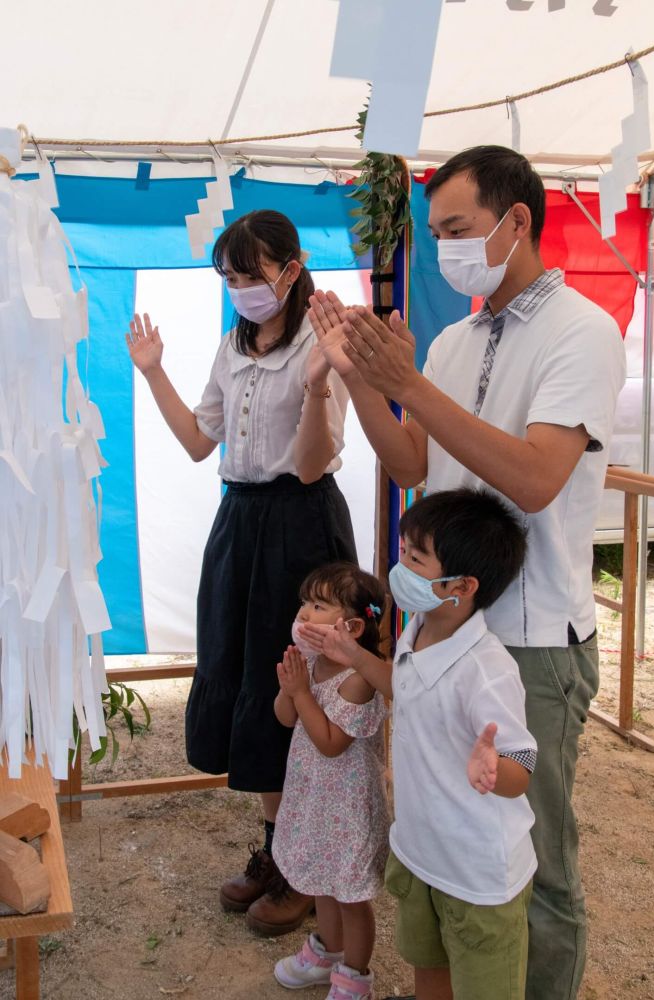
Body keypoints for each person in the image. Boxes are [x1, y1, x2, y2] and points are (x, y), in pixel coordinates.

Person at [308, 146, 627, 999]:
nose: (444, 246)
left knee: (534, 859)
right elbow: (413, 463)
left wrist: (407, 377)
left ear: (516, 219)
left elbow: (532, 477)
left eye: (456, 229)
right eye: (437, 230)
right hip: (438, 626)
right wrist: (360, 379)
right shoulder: (455, 336)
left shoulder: (583, 332)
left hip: (527, 636)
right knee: (443, 829)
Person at [125, 209, 357, 936]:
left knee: (293, 681)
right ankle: (274, 850)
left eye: (249, 274)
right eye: (227, 276)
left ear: (289, 270)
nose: (238, 288)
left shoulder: (323, 345)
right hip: (241, 521)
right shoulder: (233, 345)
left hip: (301, 522)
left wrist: (318, 384)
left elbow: (314, 463)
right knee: (249, 681)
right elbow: (199, 441)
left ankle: (303, 868)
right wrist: (153, 369)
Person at [304, 489, 535, 1000]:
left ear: (461, 586)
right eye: (403, 550)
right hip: (420, 854)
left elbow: (522, 763)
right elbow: (403, 688)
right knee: (428, 971)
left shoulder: (488, 669)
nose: (398, 565)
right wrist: (352, 654)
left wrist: (493, 768)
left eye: (414, 557)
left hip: (476, 876)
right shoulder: (418, 629)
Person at [271, 561, 390, 1000]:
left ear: (353, 626)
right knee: (322, 881)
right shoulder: (312, 662)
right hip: (313, 797)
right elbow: (284, 718)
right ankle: (326, 953)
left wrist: (301, 692)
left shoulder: (360, 679)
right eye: (305, 602)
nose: (304, 613)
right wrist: (290, 687)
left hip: (348, 806)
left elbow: (330, 743)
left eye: (319, 605)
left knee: (351, 897)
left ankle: (355, 977)